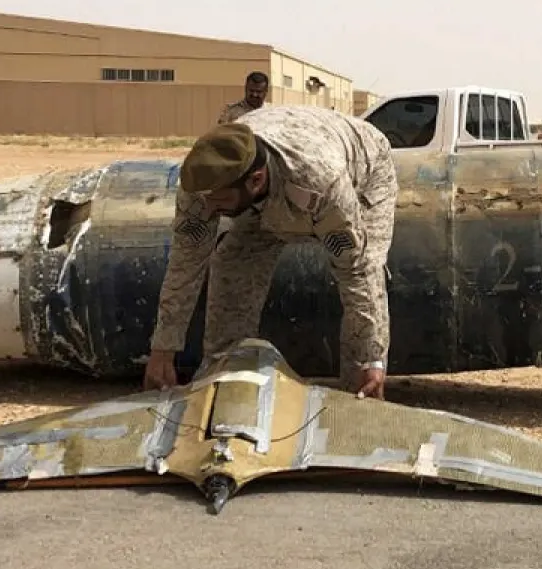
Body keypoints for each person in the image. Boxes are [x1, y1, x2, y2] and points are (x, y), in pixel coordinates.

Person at [142, 104, 399, 399]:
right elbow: (185, 263)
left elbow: (356, 271)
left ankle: (361, 391)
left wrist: (372, 358)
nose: (210, 211)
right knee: (230, 264)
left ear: (255, 180)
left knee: (366, 273)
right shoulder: (203, 183)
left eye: (219, 202)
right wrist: (163, 349)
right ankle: (224, 378)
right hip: (266, 189)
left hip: (364, 169)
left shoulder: (320, 182)